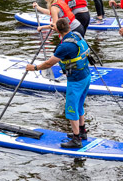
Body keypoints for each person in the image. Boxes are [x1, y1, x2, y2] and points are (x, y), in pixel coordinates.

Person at [26, 18, 91, 148]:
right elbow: (61, 29)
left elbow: (49, 63)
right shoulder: (76, 35)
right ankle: (82, 131)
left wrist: (34, 68)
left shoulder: (64, 47)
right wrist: (54, 26)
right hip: (86, 75)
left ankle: (76, 139)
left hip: (76, 80)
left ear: (58, 31)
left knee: (71, 108)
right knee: (79, 104)